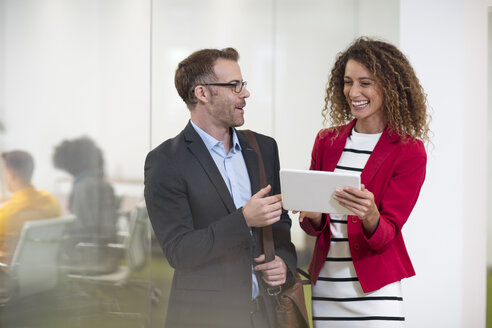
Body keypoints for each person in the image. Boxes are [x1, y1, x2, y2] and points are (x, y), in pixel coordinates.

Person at [144, 47, 297, 328]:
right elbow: (179, 250)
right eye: (234, 86)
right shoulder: (166, 161)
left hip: (265, 314)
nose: (245, 93)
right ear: (202, 93)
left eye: (243, 84)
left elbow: (280, 222)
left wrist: (284, 263)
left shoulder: (263, 148)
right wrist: (244, 219)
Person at [299, 37, 431, 327]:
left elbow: (387, 233)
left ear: (390, 86)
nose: (353, 92)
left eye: (365, 83)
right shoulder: (326, 141)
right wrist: (312, 214)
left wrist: (371, 215)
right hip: (327, 289)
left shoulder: (408, 150)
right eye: (348, 82)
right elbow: (313, 227)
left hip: (376, 292)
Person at [53, 137, 121, 274]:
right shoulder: (104, 185)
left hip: (88, 257)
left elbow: (83, 230)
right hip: (107, 256)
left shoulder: (83, 187)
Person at [0, 151, 62, 267]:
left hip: (8, 276)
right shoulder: (51, 202)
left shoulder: (7, 213)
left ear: (11, 175)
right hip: (45, 271)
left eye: (3, 172)